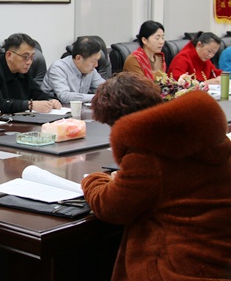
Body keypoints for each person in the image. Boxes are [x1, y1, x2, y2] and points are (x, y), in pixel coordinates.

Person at [82, 72, 231, 280]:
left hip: (177, 267)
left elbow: (111, 207)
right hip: (221, 259)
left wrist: (93, 180)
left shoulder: (147, 155)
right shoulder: (207, 133)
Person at [0, 33, 61, 117]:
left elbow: (36, 93)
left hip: (10, 120)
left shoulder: (23, 69)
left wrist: (50, 100)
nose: (29, 62)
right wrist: (29, 105)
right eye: (25, 57)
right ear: (9, 55)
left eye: (32, 57)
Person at [41, 37, 105, 103]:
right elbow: (64, 96)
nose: (96, 65)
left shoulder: (90, 69)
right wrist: (96, 97)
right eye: (93, 61)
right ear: (78, 58)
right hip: (54, 107)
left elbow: (104, 89)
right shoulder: (58, 68)